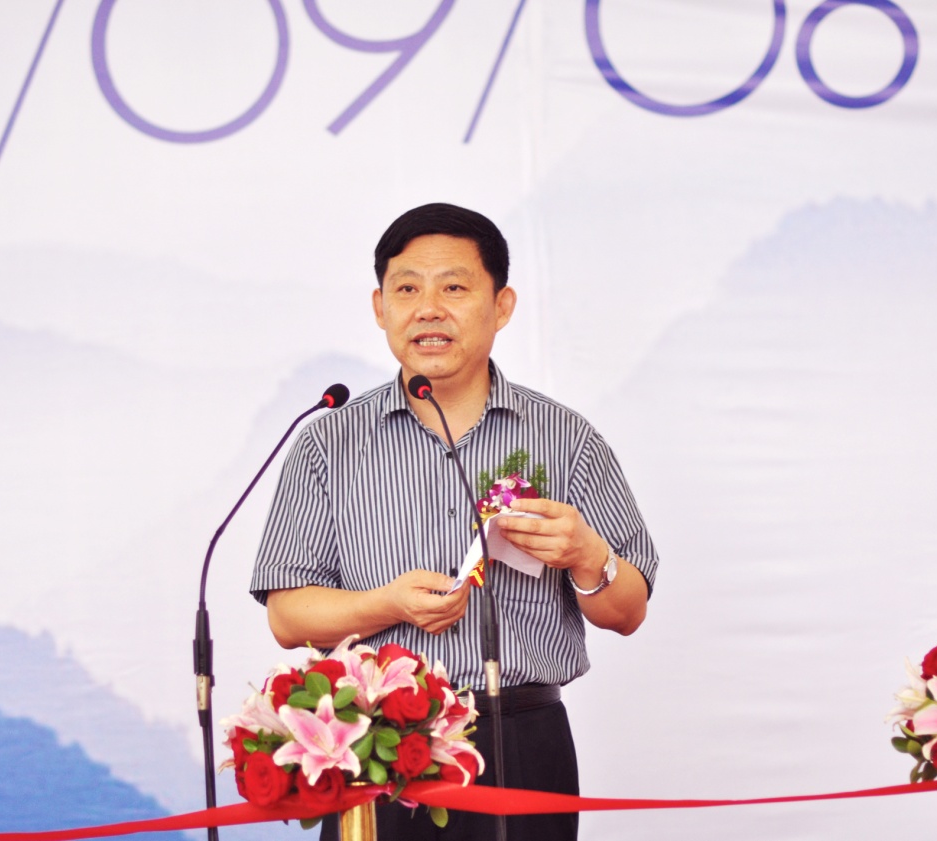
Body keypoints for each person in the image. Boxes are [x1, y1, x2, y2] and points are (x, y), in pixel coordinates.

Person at [251, 202, 659, 840]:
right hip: (375, 746)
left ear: (501, 306)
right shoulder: (328, 443)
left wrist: (587, 555)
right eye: (407, 289)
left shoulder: (564, 438)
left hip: (521, 739)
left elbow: (627, 612)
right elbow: (287, 617)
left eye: (454, 288)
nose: (428, 309)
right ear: (380, 307)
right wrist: (387, 605)